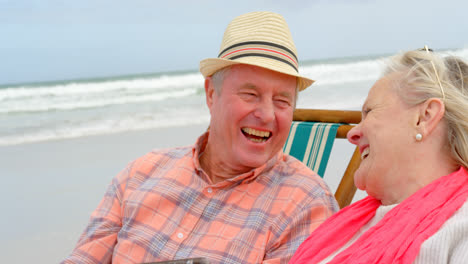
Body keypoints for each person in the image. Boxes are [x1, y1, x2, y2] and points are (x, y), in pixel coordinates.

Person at [62, 11, 338, 264]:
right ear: (211, 94)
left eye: (282, 101)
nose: (267, 115)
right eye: (250, 94)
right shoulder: (142, 173)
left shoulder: (305, 203)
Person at [289, 47, 468, 264]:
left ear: (425, 117)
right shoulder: (350, 224)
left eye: (370, 112)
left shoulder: (459, 227)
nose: (353, 134)